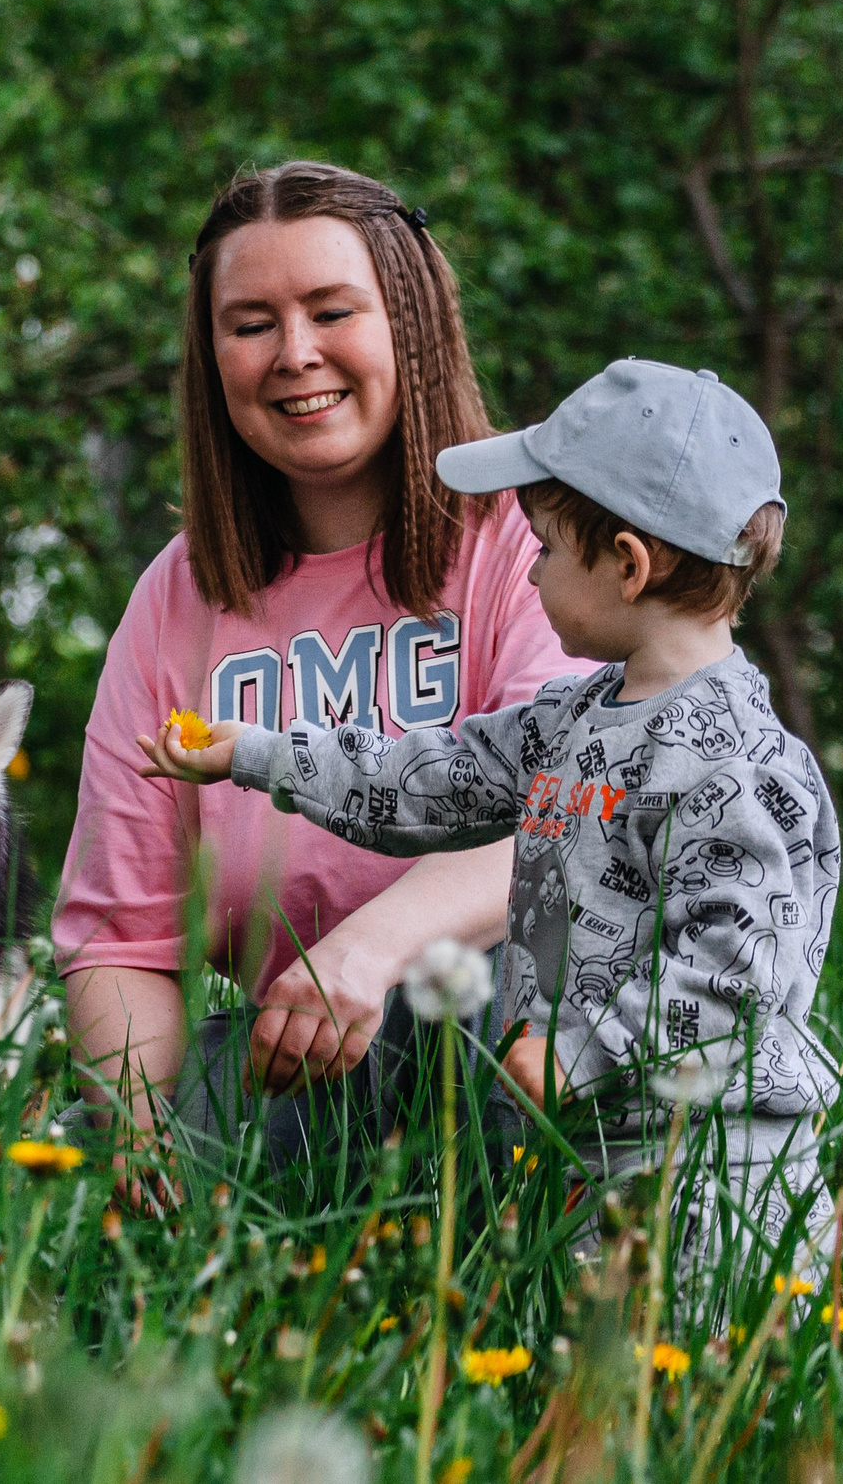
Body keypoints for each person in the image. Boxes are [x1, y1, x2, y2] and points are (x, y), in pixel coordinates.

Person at [142, 358, 840, 1248]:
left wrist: (581, 1051)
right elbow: (425, 779)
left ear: (626, 564)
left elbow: (737, 968)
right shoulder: (579, 718)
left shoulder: (730, 762)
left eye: (546, 547)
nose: (532, 571)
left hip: (712, 1174)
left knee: (678, 1378)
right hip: (584, 1150)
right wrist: (258, 751)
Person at [55, 161, 588, 1190]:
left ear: (412, 324)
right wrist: (138, 1140)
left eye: (331, 310)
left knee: (467, 1016)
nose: (293, 354)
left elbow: (566, 814)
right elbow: (123, 937)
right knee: (42, 1180)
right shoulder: (176, 600)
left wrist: (369, 951)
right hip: (302, 1074)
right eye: (250, 323)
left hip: (521, 1043)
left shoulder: (525, 542)